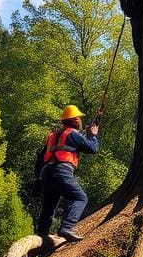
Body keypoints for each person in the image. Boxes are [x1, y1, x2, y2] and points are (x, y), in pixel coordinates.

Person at [35, 104, 100, 242]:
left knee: (48, 209)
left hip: (46, 172)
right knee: (80, 198)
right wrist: (92, 135)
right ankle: (66, 227)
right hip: (62, 170)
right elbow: (92, 149)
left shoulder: (54, 135)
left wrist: (37, 179)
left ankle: (41, 235)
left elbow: (40, 159)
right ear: (75, 120)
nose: (81, 121)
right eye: (79, 118)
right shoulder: (72, 134)